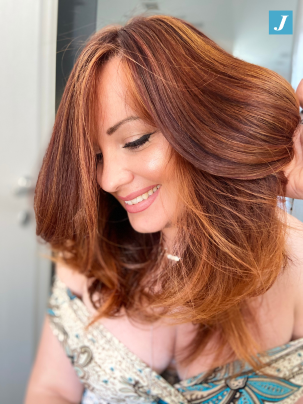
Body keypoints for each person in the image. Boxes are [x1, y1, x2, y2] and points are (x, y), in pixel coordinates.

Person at [24, 14, 303, 404]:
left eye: (135, 140)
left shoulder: (294, 259)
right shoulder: (91, 248)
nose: (109, 180)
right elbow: (50, 389)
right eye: (96, 156)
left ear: (207, 126)